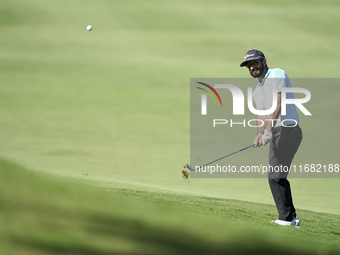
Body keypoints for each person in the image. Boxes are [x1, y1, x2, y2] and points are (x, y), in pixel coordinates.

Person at [240, 49, 302, 227]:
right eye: (249, 65)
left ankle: (287, 218)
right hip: (278, 133)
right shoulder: (257, 91)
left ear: (264, 61)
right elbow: (262, 114)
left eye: (255, 63)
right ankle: (290, 217)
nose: (252, 67)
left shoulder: (276, 74)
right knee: (276, 176)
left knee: (275, 176)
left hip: (289, 130)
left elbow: (279, 103)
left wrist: (268, 130)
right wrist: (260, 133)